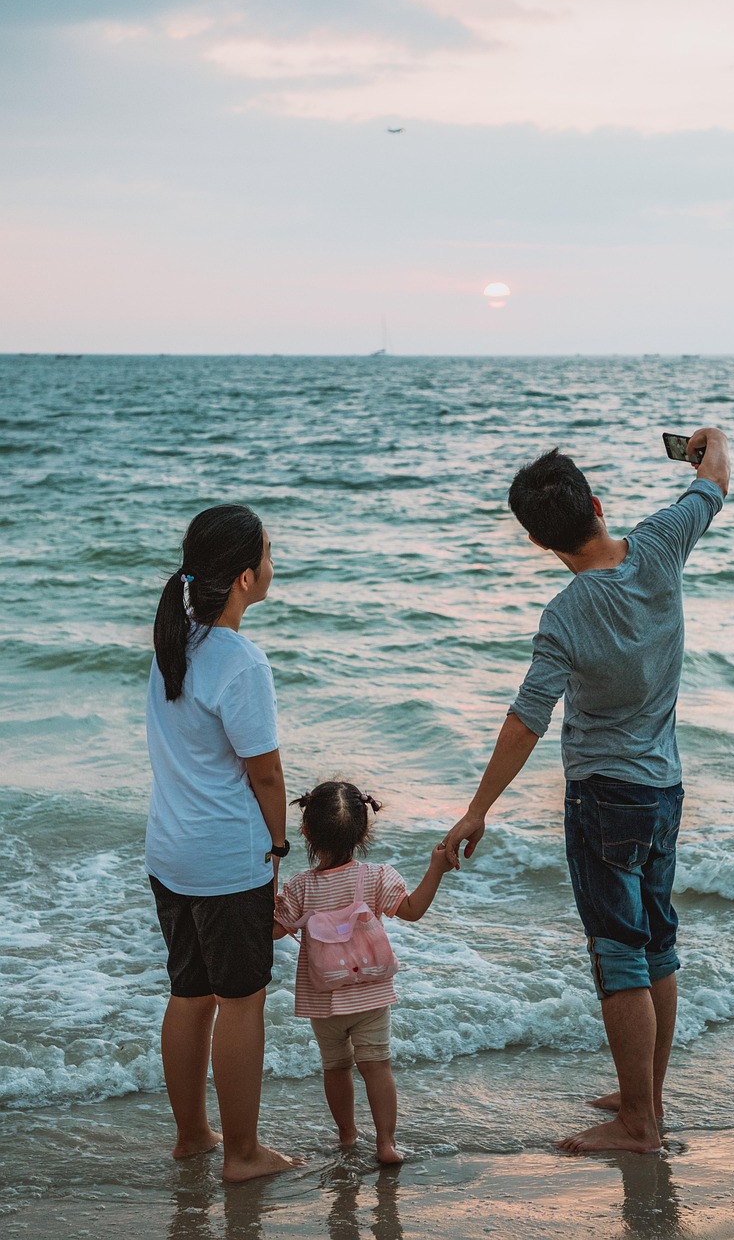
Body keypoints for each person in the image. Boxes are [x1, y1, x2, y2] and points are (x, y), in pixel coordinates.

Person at [444, 428, 730, 1154]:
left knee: (620, 955)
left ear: (540, 544)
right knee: (656, 944)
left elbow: (523, 722)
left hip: (602, 798)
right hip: (663, 789)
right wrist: (709, 442)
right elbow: (714, 484)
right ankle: (647, 1096)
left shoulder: (565, 614)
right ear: (598, 505)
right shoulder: (660, 544)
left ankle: (637, 1120)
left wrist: (477, 810)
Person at [145, 503, 303, 1182]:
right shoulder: (240, 660)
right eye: (268, 552)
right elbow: (264, 772)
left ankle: (193, 1136)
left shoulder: (172, 644)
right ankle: (241, 1154)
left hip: (170, 850)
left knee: (190, 993)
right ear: (244, 577)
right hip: (224, 858)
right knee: (240, 1000)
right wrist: (279, 843)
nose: (273, 563)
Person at [274, 780, 453, 1164]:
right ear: (364, 830)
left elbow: (272, 931)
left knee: (336, 1068)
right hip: (370, 993)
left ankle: (347, 1136)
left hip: (323, 997)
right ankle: (386, 1144)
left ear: (305, 831)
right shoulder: (376, 876)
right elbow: (412, 909)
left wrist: (263, 884)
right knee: (377, 1065)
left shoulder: (300, 886)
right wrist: (436, 867)